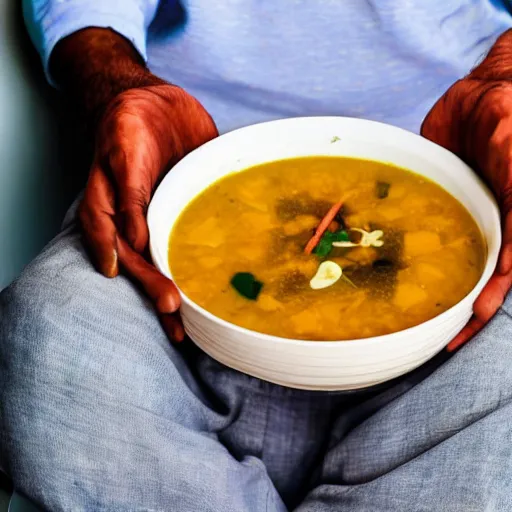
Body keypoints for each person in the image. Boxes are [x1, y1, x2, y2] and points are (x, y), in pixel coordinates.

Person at [2, 0, 512, 510]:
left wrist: (503, 79)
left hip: (465, 165)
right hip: (177, 163)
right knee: (45, 336)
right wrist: (123, 91)